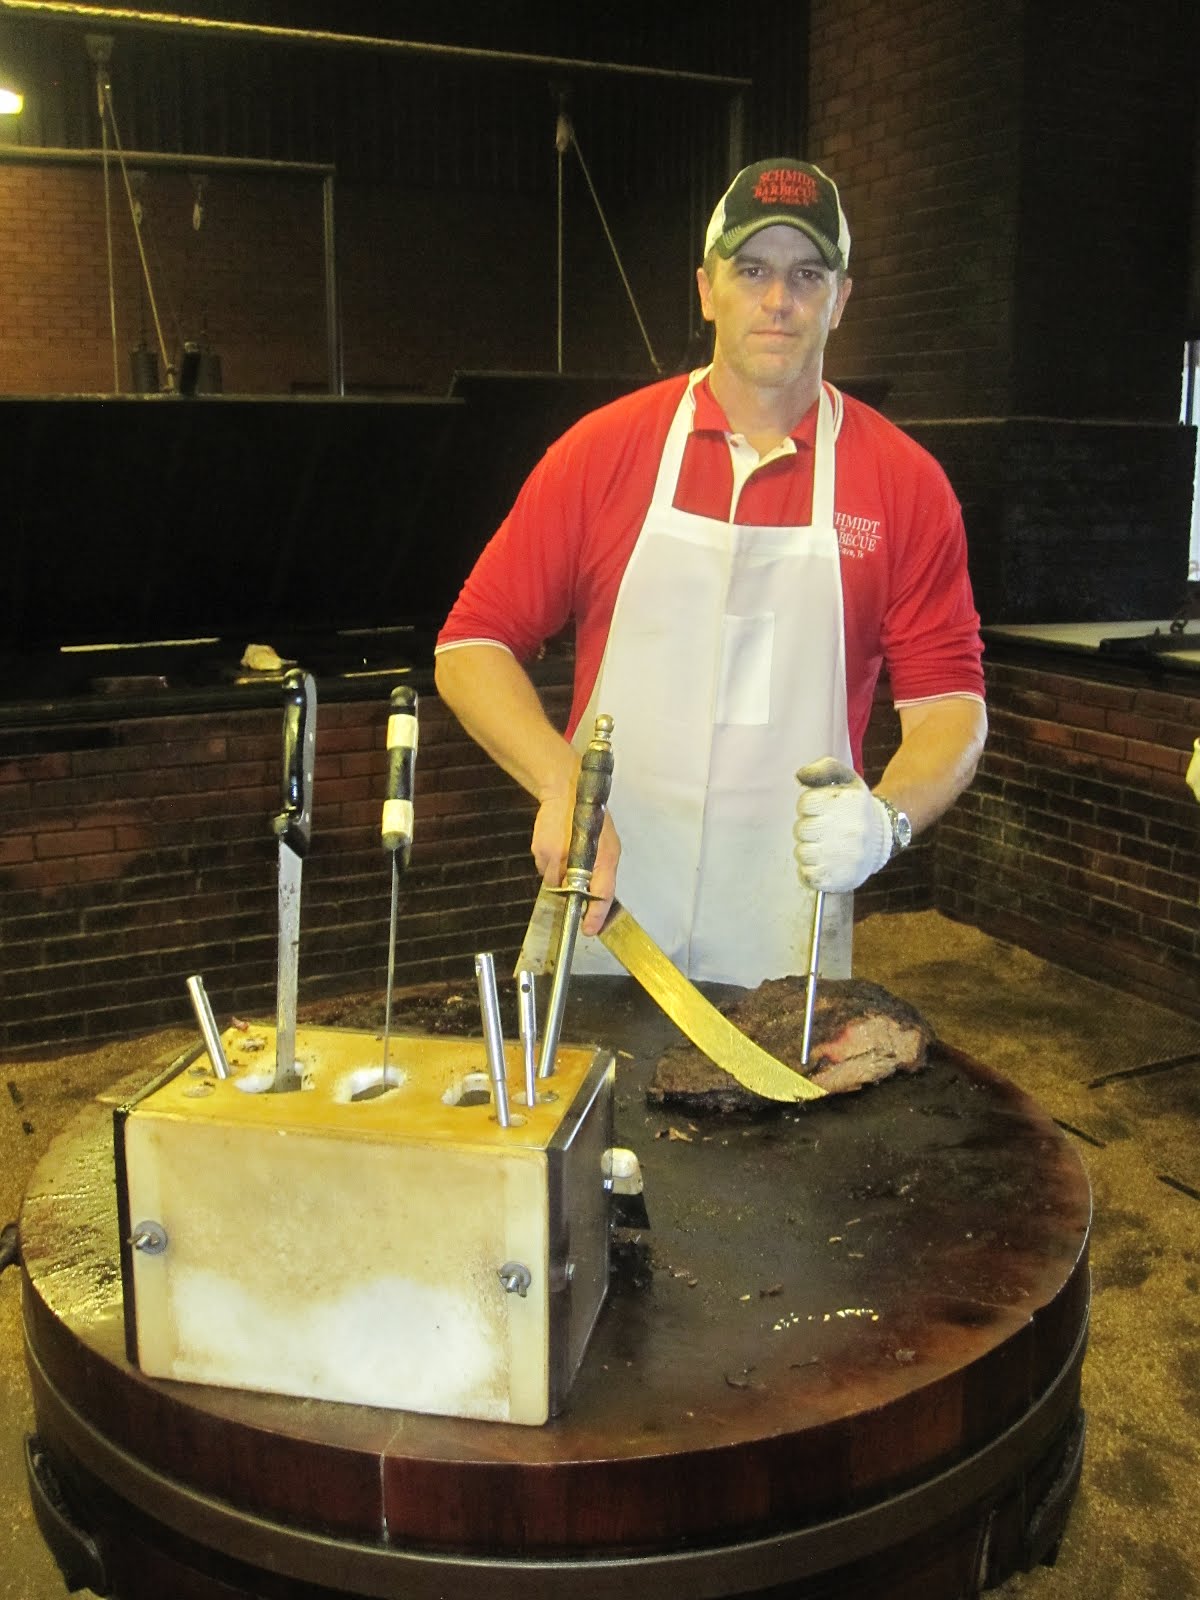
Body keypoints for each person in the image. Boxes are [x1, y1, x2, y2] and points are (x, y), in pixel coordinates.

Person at [434, 157, 987, 986]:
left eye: (807, 274)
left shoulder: (905, 484)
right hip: (605, 890)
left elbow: (951, 709)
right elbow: (471, 645)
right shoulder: (605, 451)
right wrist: (561, 787)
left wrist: (884, 824)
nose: (778, 300)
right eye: (752, 270)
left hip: (787, 912)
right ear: (706, 288)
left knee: (781, 1111)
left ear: (841, 300)